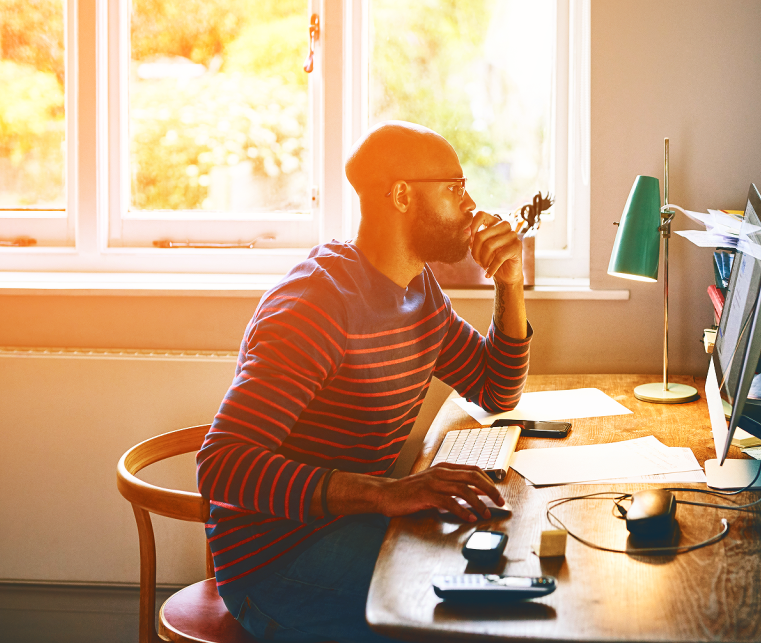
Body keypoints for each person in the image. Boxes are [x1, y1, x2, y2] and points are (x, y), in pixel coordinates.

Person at [196, 121, 532, 642]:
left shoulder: (417, 289)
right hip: (277, 562)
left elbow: (495, 390)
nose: (470, 205)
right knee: (470, 616)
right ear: (401, 195)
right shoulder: (318, 306)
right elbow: (221, 464)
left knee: (499, 574)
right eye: (455, 188)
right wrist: (387, 494)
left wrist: (510, 282)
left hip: (350, 529)